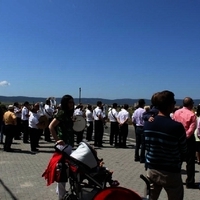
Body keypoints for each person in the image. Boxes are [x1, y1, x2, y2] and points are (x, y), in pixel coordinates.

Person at [144, 90, 187, 200]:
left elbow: (146, 145)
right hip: (171, 171)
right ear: (170, 105)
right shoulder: (177, 127)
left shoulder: (148, 123)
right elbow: (183, 149)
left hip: (152, 168)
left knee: (150, 197)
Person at [49, 94, 75, 200]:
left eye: (72, 102)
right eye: (69, 102)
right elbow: (51, 126)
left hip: (68, 145)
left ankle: (60, 191)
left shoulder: (68, 114)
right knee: (63, 171)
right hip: (63, 146)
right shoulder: (62, 113)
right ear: (65, 103)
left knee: (65, 170)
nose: (72, 104)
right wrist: (57, 140)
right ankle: (61, 195)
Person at [173, 97, 197, 189]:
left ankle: (176, 180)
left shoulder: (176, 112)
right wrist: (185, 137)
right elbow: (191, 129)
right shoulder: (192, 114)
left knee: (177, 161)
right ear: (191, 104)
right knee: (190, 162)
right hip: (188, 140)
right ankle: (190, 182)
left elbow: (174, 125)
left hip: (177, 139)